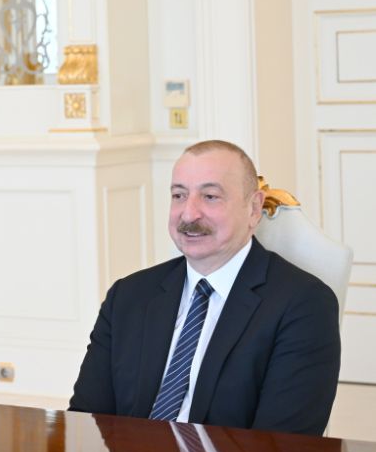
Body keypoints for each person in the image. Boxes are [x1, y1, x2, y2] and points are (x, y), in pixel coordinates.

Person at [69, 140, 340, 435]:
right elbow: (86, 421)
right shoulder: (129, 296)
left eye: (210, 196)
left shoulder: (303, 305)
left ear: (253, 209)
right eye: (179, 195)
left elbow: (283, 445)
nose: (188, 214)